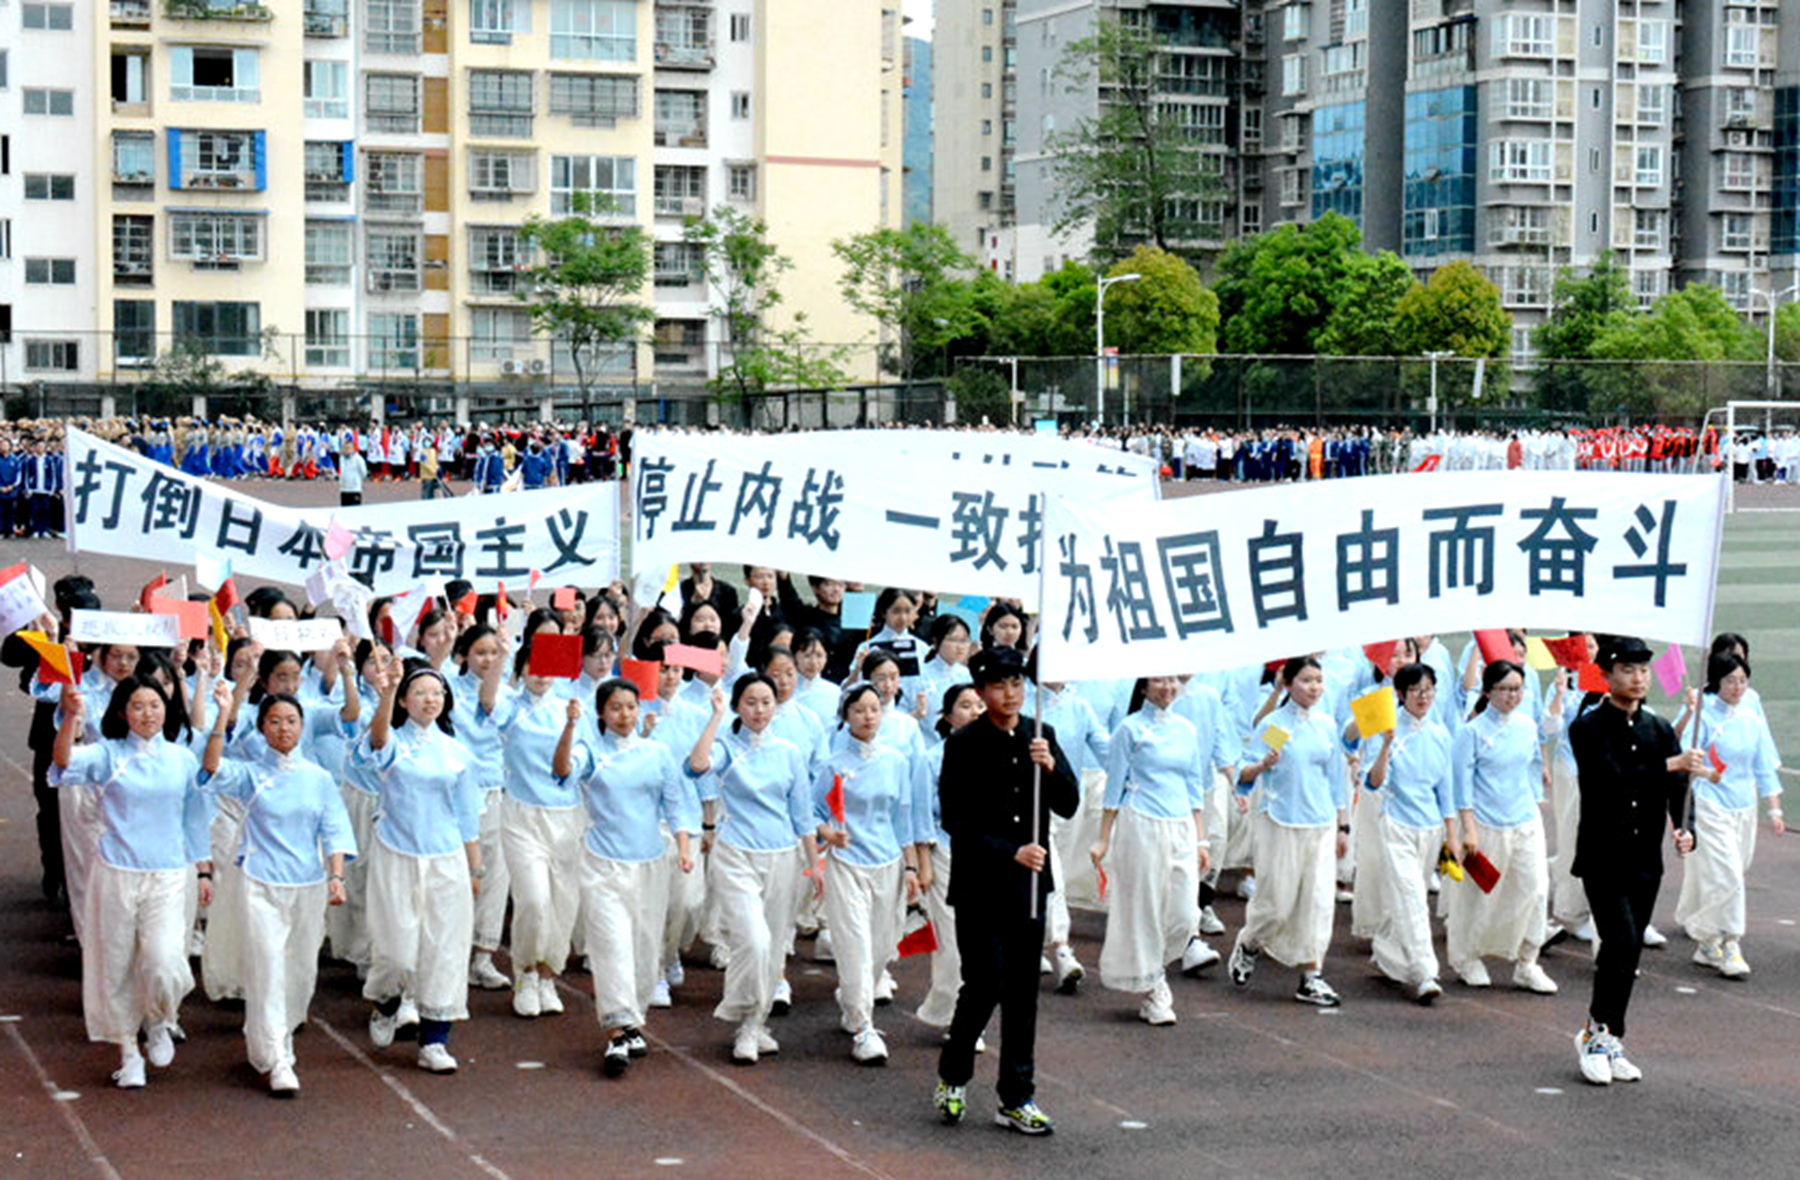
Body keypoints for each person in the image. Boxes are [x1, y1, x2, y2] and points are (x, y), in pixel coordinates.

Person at [934, 647, 1078, 1136]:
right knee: (985, 982)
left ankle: (1016, 1097)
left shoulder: (1044, 736)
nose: (1010, 694)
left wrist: (1052, 767)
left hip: (1030, 888)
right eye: (999, 685)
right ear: (980, 691)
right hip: (980, 885)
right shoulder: (964, 745)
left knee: (1022, 993)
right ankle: (954, 1072)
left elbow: (1070, 804)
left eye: (1017, 683)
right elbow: (955, 820)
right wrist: (1007, 850)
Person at [52, 675, 212, 1089]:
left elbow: (194, 818)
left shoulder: (181, 759)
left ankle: (160, 1019)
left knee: (164, 961)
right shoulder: (107, 755)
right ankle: (127, 1050)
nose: (147, 714)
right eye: (138, 706)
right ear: (123, 712)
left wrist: (204, 870)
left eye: (154, 705)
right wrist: (70, 717)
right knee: (117, 964)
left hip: (168, 874)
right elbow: (64, 763)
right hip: (117, 873)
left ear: (166, 710)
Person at [200, 689, 356, 1096]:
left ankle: (277, 1036)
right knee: (267, 967)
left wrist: (335, 876)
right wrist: (221, 715)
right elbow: (211, 769)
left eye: (291, 721)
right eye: (274, 721)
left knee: (301, 972)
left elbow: (335, 829)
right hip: (260, 884)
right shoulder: (250, 774)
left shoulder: (319, 779)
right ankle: (278, 1057)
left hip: (307, 885)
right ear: (262, 728)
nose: (283, 728)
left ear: (302, 727)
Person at [1567, 636, 1701, 1086]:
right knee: (1620, 942)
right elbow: (1609, 781)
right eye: (1627, 670)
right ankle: (1596, 1034)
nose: (1638, 678)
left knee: (1630, 953)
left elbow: (1679, 787)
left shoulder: (1660, 729)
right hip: (1603, 857)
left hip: (1646, 859)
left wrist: (1686, 829)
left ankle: (1609, 1037)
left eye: (1643, 670)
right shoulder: (1587, 728)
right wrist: (1670, 765)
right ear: (1606, 675)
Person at [355, 662, 483, 1073]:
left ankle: (434, 1041)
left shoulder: (457, 752)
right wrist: (386, 693)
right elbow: (376, 742)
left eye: (437, 693)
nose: (430, 700)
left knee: (444, 950)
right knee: (396, 951)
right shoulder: (393, 742)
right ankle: (388, 999)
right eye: (422, 693)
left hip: (446, 860)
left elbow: (467, 815)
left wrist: (475, 868)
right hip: (397, 854)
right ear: (407, 701)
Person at [685, 673, 817, 1064]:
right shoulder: (727, 746)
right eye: (751, 702)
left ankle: (754, 1024)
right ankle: (743, 1016)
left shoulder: (790, 751)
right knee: (753, 940)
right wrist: (715, 717)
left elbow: (803, 814)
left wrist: (815, 865)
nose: (759, 710)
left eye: (766, 702)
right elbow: (696, 766)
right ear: (739, 706)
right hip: (736, 854)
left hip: (782, 856)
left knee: (775, 946)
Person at [1089, 676, 1213, 1026]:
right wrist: (1103, 837)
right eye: (1159, 680)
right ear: (1143, 687)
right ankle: (1154, 988)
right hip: (1140, 823)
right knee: (1145, 908)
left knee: (1186, 914)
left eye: (1172, 679)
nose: (1167, 686)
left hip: (1181, 826)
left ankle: (1154, 968)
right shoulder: (1129, 730)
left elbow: (1193, 786)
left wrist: (1201, 840)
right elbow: (1114, 787)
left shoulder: (1186, 729)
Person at [1228, 657, 1348, 1007]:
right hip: (1280, 820)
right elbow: (1243, 772)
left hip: (1321, 823)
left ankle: (1311, 977)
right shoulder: (1273, 724)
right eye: (1306, 680)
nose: (1314, 687)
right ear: (1289, 683)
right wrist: (1263, 764)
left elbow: (1335, 780)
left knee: (1317, 902)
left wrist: (1343, 826)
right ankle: (1250, 943)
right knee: (1276, 901)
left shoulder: (1326, 725)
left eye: (1318, 680)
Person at [1678, 653, 1783, 978]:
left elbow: (1764, 763)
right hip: (1710, 804)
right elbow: (1685, 758)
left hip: (1744, 806)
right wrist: (1707, 773)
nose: (1737, 687)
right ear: (1716, 682)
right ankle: (1732, 943)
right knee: (1729, 877)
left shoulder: (1751, 719)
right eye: (1730, 681)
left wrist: (1774, 807)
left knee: (1731, 873)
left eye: (1742, 681)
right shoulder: (1703, 716)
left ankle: (1706, 939)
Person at [1361, 663, 1457, 1003]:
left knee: (1405, 899)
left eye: (1428, 689)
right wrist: (1386, 746)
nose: (1423, 696)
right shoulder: (1384, 727)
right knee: (1413, 898)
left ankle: (1385, 950)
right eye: (1415, 690)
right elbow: (1372, 782)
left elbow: (1446, 788)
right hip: (1396, 824)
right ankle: (1424, 972)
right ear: (1400, 694)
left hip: (1429, 827)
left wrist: (1452, 833)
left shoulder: (1441, 733)